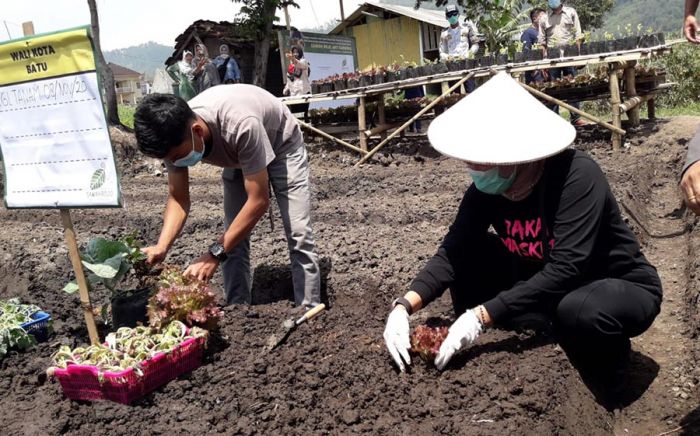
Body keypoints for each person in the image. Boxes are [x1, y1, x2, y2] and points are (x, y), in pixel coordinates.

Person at [383, 73, 662, 402]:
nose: (473, 168)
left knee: (578, 310)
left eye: (481, 160)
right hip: (544, 281)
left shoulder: (576, 175)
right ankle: (537, 324)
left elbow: (567, 267)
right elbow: (452, 253)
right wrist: (403, 307)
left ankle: (612, 383)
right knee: (472, 255)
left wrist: (481, 315)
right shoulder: (486, 192)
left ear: (514, 156)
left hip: (613, 284)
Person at [133, 85, 322, 308]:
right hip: (238, 154)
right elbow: (178, 199)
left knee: (298, 232)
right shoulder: (171, 136)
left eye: (175, 157)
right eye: (168, 160)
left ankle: (309, 308)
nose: (174, 164)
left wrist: (214, 254)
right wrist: (162, 246)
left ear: (197, 131)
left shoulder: (240, 124)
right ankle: (238, 309)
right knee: (233, 234)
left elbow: (259, 201)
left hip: (280, 143)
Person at [537, 0, 587, 126]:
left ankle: (576, 118)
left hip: (569, 57)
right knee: (552, 88)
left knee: (572, 86)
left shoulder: (571, 13)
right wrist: (543, 62)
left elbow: (578, 36)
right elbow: (542, 42)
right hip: (552, 60)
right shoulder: (544, 19)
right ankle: (555, 120)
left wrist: (578, 57)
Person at [439, 5, 479, 93]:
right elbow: (442, 51)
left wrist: (468, 54)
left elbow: (475, 44)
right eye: (449, 15)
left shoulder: (467, 28)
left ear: (458, 14)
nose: (452, 17)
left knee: (471, 93)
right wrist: (447, 57)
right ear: (446, 17)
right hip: (452, 67)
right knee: (454, 95)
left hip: (467, 64)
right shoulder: (444, 33)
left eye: (454, 14)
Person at [283, 46, 312, 123]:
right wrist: (286, 89)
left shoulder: (304, 61)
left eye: (297, 52)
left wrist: (292, 59)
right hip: (293, 94)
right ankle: (297, 132)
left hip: (303, 92)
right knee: (295, 116)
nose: (295, 54)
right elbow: (289, 79)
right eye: (293, 52)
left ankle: (306, 133)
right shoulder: (291, 65)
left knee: (303, 116)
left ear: (300, 53)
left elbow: (299, 64)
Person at [521, 8, 548, 85]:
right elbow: (526, 52)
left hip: (545, 68)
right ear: (534, 18)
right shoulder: (528, 33)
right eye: (543, 17)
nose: (545, 19)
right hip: (535, 72)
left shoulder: (543, 31)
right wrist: (534, 71)